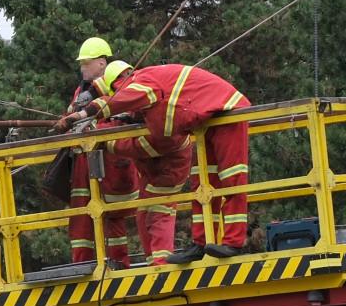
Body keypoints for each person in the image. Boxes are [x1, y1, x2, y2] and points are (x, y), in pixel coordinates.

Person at [64, 63, 253, 264]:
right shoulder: (145, 83)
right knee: (203, 185)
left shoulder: (141, 82)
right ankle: (201, 243)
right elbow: (115, 89)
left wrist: (84, 115)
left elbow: (124, 103)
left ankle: (233, 242)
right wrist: (90, 96)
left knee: (232, 178)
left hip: (228, 112)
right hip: (209, 118)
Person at [66, 40, 140, 267]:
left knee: (114, 215)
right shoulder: (81, 91)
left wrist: (94, 125)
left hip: (112, 160)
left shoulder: (117, 84)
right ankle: (82, 264)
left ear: (101, 62)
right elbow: (71, 116)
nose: (82, 68)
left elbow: (124, 117)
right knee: (81, 214)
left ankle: (118, 262)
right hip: (83, 163)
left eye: (86, 63)